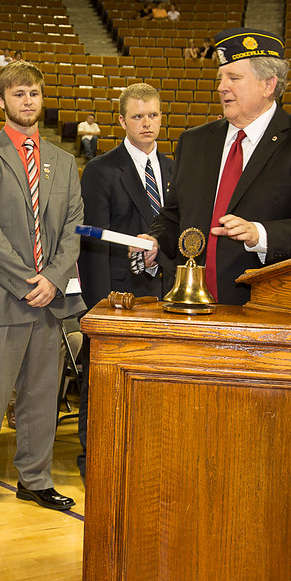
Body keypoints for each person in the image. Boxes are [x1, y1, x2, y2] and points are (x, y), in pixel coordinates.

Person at [0, 60, 83, 522]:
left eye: (33, 94)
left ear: (41, 99)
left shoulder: (65, 162)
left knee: (41, 396)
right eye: (18, 94)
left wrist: (51, 278)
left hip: (50, 298)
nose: (27, 102)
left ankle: (36, 479)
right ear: (1, 101)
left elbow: (73, 228)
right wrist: (29, 281)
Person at [141, 27, 291, 306]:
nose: (222, 87)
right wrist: (154, 242)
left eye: (234, 78)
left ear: (268, 85)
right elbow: (174, 217)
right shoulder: (194, 141)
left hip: (265, 310)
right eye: (221, 78)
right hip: (189, 309)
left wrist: (259, 234)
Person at [76, 82, 174, 478]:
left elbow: (181, 228)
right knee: (102, 380)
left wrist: (160, 253)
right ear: (121, 121)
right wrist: (98, 306)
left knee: (156, 377)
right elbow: (92, 241)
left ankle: (148, 457)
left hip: (163, 288)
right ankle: (94, 458)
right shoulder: (101, 169)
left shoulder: (174, 168)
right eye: (137, 116)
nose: (146, 123)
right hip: (117, 293)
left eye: (152, 115)